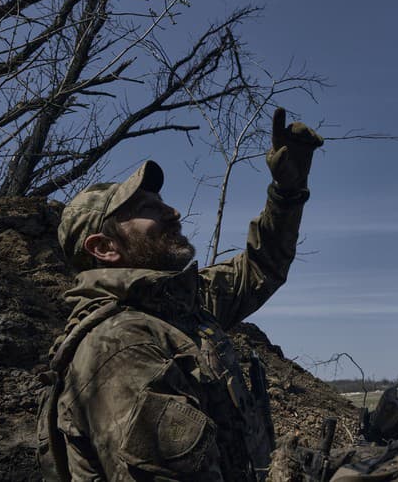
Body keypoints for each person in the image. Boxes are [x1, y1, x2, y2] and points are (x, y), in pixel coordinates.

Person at [37, 108, 323, 481]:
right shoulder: (121, 348)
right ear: (105, 247)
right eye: (147, 209)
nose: (173, 212)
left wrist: (287, 194)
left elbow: (260, 268)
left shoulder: (178, 306)